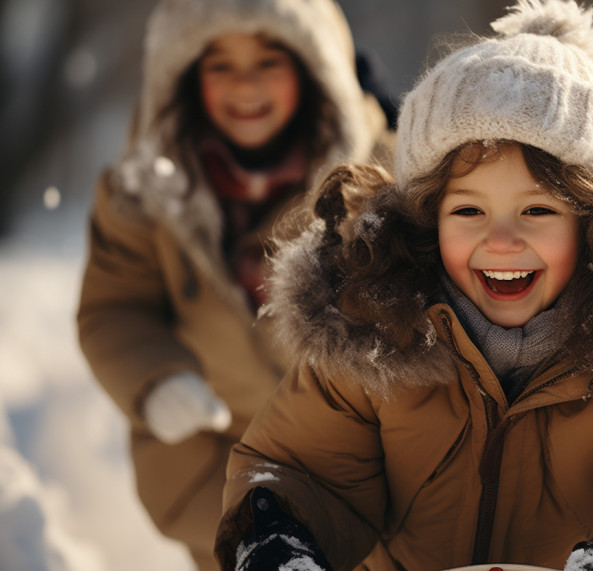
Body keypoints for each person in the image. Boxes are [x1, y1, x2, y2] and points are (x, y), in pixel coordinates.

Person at [214, 1, 593, 570]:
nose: (501, 241)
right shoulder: (376, 337)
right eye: (468, 212)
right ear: (427, 220)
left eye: (537, 211)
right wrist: (277, 532)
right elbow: (302, 467)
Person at [76, 0, 393, 569]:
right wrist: (156, 378)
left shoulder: (382, 183)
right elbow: (114, 306)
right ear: (186, 77)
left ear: (312, 69)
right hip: (217, 474)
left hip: (364, 474)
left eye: (269, 60)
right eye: (219, 64)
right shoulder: (142, 194)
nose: (244, 83)